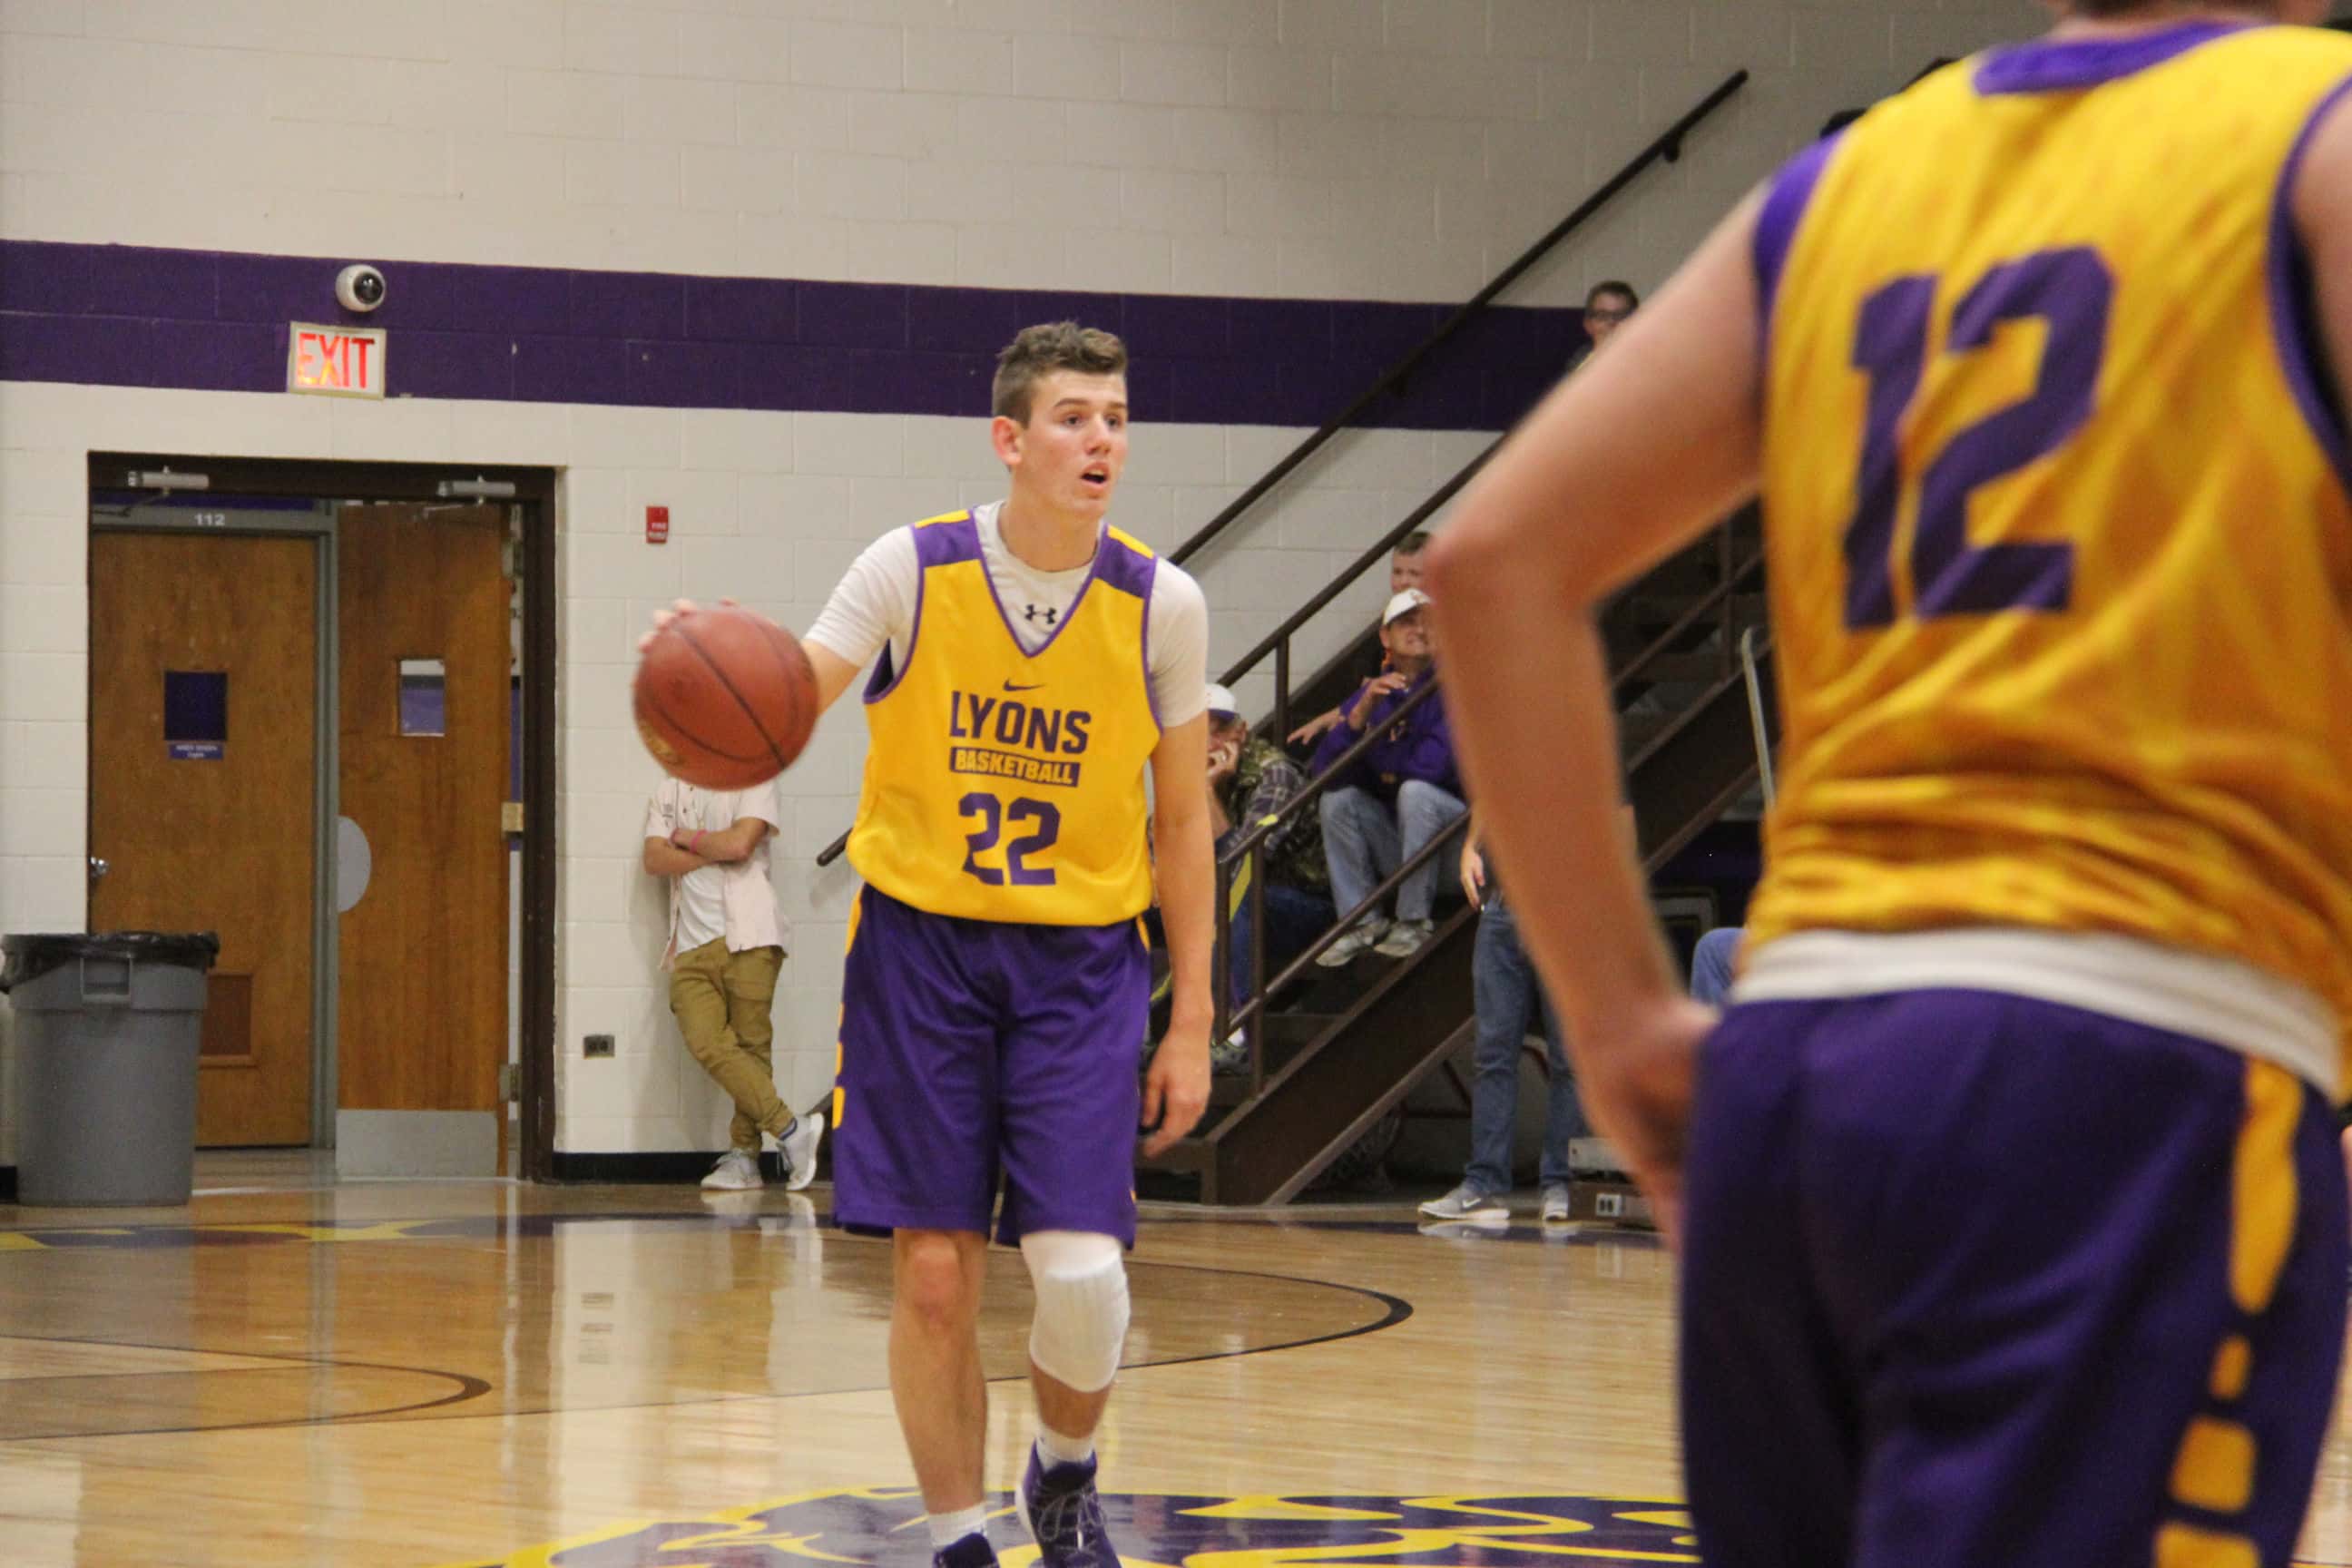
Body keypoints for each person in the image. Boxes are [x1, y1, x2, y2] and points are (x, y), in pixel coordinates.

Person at [1429, 5, 2352, 1566]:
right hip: (2132, 1062)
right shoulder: (2318, 134)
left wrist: (1623, 1025)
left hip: (1801, 1072)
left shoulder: (1845, 182)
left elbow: (1491, 562)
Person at [653, 322, 1214, 1568]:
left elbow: (1183, 821)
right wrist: (707, 682)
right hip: (923, 954)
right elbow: (783, 704)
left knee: (1082, 1276)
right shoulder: (909, 569)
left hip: (1082, 964)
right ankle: (960, 1539)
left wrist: (1191, 1020)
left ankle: (1063, 1471)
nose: (1102, 440)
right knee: (934, 1278)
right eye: (1074, 417)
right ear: (1010, 439)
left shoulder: (1161, 605)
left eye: (1116, 419)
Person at [642, 775, 823, 1192]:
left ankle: (744, 1157)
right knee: (706, 1041)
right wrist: (714, 848)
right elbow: (654, 859)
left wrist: (686, 839)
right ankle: (791, 1128)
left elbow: (740, 845)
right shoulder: (668, 790)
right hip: (689, 945)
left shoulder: (754, 777)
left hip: (750, 934)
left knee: (751, 1046)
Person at [1418, 813, 1587, 1225]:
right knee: (1492, 1054)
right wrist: (1469, 848)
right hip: (1502, 905)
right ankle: (1484, 1185)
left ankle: (1560, 1183)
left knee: (1568, 1058)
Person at [1312, 587, 1465, 962]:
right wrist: (1358, 717)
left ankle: (1413, 922)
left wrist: (1379, 755)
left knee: (1416, 792)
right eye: (1407, 623)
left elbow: (1431, 768)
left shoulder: (1458, 687)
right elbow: (1323, 774)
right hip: (1406, 848)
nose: (1419, 630)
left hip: (1459, 851)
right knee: (1337, 800)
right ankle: (1361, 923)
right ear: (1385, 636)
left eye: (1428, 622)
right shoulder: (1375, 693)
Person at [1206, 683, 1335, 1027]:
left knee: (1233, 896)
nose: (1207, 744)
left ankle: (1233, 1026)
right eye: (1195, 733)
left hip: (1306, 904)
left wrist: (1206, 792)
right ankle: (1134, 1028)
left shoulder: (1274, 774)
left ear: (1240, 732)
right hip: (1243, 896)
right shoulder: (1189, 771)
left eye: (1217, 731)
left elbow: (1242, 864)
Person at [1288, 531, 1433, 747]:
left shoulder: (1442, 629)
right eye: (1397, 572)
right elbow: (1375, 689)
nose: (1403, 582)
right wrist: (1329, 718)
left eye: (1414, 574)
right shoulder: (1389, 625)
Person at [1563, 280, 1640, 375]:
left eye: (1621, 316)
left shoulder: (1652, 365)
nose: (1611, 322)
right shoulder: (1577, 372)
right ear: (1588, 325)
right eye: (1602, 316)